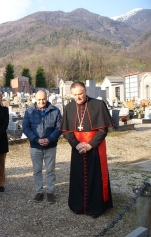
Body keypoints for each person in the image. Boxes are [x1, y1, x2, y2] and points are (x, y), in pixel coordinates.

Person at [59, 81, 114, 218]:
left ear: (86, 91)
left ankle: (95, 208)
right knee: (78, 177)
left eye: (81, 94)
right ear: (71, 94)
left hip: (95, 148)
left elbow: (103, 129)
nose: (78, 98)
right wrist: (76, 144)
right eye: (75, 95)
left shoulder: (98, 105)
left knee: (95, 177)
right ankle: (78, 206)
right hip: (77, 148)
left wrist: (90, 145)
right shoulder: (69, 107)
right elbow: (66, 131)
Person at [23, 90, 62, 204]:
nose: (41, 102)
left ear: (47, 98)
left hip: (50, 145)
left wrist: (49, 139)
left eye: (43, 99)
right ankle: (39, 191)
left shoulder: (55, 111)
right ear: (35, 99)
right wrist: (37, 140)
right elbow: (26, 128)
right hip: (35, 145)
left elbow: (59, 127)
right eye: (39, 99)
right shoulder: (29, 111)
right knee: (37, 170)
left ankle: (50, 192)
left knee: (50, 169)